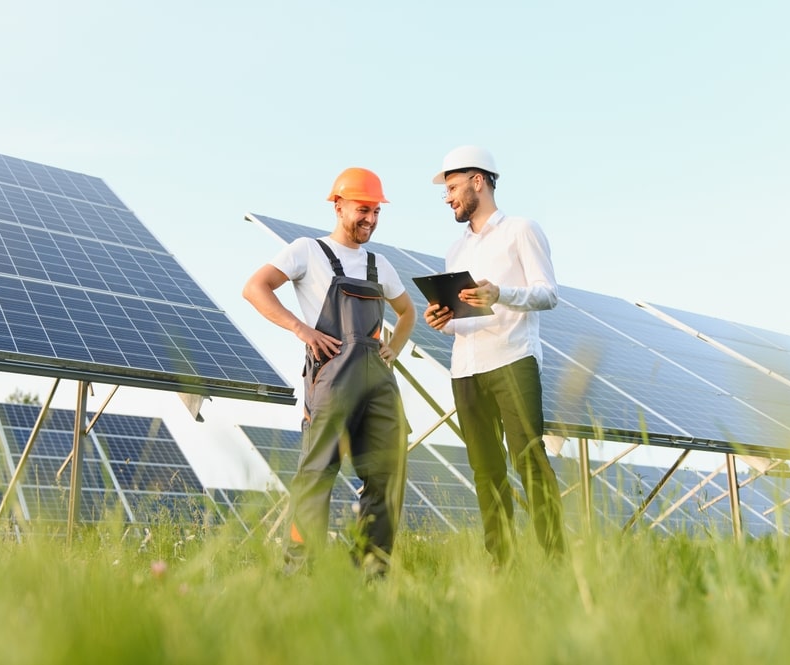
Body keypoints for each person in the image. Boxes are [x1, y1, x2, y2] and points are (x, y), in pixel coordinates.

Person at [242, 167, 415, 577]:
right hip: (333, 380)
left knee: (388, 477)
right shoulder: (307, 251)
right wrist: (301, 329)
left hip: (379, 383)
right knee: (317, 475)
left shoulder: (380, 264)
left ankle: (372, 573)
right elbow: (255, 288)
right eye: (362, 209)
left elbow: (408, 313)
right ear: (338, 206)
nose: (370, 219)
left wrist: (393, 348)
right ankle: (299, 574)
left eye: (376, 211)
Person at [424, 145, 566, 566]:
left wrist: (500, 293)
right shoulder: (455, 250)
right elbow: (460, 317)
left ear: (478, 181)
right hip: (465, 368)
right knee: (486, 473)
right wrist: (442, 318)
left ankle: (556, 562)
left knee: (531, 463)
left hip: (512, 359)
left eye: (452, 187)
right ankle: (501, 566)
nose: (447, 197)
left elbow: (548, 294)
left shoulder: (521, 230)